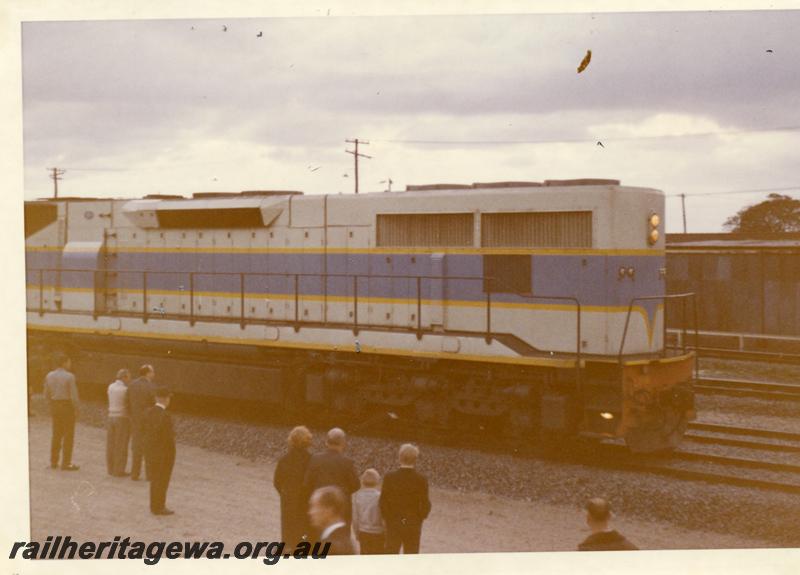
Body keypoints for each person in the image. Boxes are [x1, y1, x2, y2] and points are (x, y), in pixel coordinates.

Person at [379, 443, 431, 554]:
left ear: (399, 457)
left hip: (394, 521)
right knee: (411, 555)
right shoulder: (421, 479)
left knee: (391, 553)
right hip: (413, 522)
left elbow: (383, 501)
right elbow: (426, 504)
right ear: (415, 459)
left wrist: (387, 518)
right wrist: (420, 518)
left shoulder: (390, 478)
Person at [303, 428, 360, 525]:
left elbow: (307, 482)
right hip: (340, 508)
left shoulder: (315, 459)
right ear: (343, 443)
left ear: (326, 442)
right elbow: (356, 485)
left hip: (320, 506)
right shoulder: (347, 462)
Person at [273, 426, 313, 546]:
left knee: (288, 528)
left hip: (288, 498)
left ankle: (287, 549)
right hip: (305, 499)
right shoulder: (311, 460)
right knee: (304, 529)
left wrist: (284, 493)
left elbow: (277, 481)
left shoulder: (284, 460)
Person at [42, 353, 80, 471]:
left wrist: (50, 404)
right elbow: (74, 396)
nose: (70, 364)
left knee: (56, 434)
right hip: (67, 406)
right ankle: (66, 462)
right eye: (69, 361)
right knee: (68, 435)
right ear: (64, 363)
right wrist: (77, 409)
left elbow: (46, 393)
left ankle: (53, 461)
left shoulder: (49, 375)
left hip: (55, 406)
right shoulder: (70, 376)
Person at [144, 385, 176, 515]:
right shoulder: (165, 415)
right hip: (164, 454)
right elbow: (168, 438)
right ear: (165, 399)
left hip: (151, 452)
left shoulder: (148, 412)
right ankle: (160, 506)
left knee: (154, 480)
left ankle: (154, 506)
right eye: (168, 397)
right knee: (162, 481)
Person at [128, 364, 156, 481]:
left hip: (135, 419)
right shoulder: (151, 387)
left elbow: (127, 401)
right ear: (148, 373)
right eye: (152, 372)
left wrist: (132, 415)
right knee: (149, 447)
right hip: (147, 420)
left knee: (136, 447)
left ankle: (135, 474)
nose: (154, 374)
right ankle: (149, 475)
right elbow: (154, 404)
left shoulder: (132, 384)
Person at [308, 486, 356, 555]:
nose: (310, 512)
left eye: (314, 506)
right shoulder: (344, 539)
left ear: (329, 510)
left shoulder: (330, 546)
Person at [352, 468, 385, 554]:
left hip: (363, 531)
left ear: (362, 481)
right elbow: (383, 516)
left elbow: (355, 517)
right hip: (378, 531)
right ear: (377, 481)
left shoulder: (358, 496)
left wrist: (356, 532)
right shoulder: (380, 497)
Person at [106, 368, 131, 477]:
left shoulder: (110, 387)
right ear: (124, 377)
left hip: (111, 417)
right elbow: (127, 404)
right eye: (129, 377)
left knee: (111, 444)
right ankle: (119, 470)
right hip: (122, 418)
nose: (129, 379)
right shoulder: (125, 390)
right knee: (121, 444)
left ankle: (110, 468)